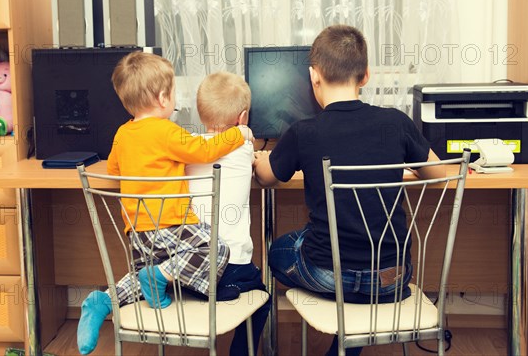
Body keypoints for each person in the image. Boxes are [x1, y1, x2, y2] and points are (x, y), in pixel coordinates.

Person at [253, 25, 445, 356]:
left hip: (329, 277)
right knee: (337, 244)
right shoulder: (396, 123)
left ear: (314, 76)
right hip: (392, 279)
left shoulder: (304, 132)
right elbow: (439, 173)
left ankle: (343, 328)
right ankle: (350, 340)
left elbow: (268, 178)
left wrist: (261, 158)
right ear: (366, 75)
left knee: (279, 250)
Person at [77, 52, 253, 355]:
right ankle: (159, 276)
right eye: (173, 93)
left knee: (141, 278)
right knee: (215, 247)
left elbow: (114, 171)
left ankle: (103, 300)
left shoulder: (122, 134)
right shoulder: (166, 131)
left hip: (137, 235)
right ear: (162, 98)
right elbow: (203, 151)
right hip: (171, 228)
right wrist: (239, 134)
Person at [186, 71, 271, 356]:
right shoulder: (245, 146)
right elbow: (255, 158)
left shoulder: (188, 149)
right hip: (231, 268)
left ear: (201, 116)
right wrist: (253, 145)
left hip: (188, 269)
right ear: (243, 116)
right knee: (262, 298)